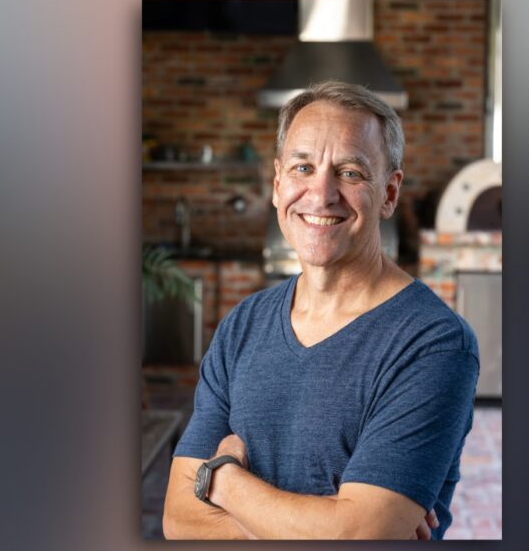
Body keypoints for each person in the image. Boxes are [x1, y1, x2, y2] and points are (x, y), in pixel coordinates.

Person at [162, 81, 479, 540]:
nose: (320, 193)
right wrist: (329, 521)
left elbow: (356, 537)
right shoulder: (242, 327)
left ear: (389, 193)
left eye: (350, 172)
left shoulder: (433, 343)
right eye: (303, 167)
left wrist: (223, 481)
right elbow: (179, 519)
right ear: (277, 185)